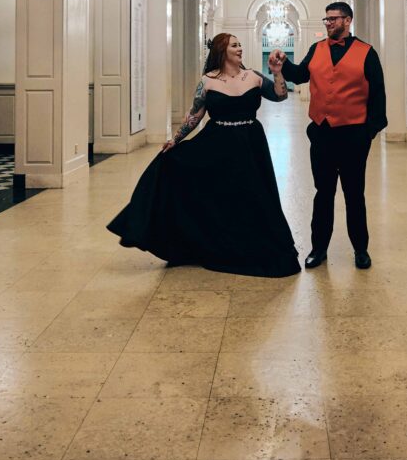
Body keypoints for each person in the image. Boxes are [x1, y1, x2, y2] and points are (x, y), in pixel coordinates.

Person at [107, 33, 301, 278]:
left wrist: (277, 72)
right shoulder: (207, 81)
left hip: (250, 144)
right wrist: (175, 139)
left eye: (240, 44)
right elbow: (195, 115)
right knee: (214, 192)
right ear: (222, 51)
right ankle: (207, 243)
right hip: (217, 143)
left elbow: (280, 95)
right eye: (234, 45)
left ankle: (251, 245)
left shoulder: (252, 76)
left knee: (254, 195)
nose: (240, 48)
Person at [269, 2, 387, 270]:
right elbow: (299, 76)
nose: (329, 23)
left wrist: (369, 132)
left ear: (348, 21)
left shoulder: (367, 53)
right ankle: (318, 248)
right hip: (322, 134)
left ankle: (360, 249)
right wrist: (283, 65)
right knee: (323, 193)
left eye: (334, 19)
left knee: (354, 194)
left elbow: (378, 94)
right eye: (326, 19)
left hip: (354, 135)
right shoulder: (317, 48)